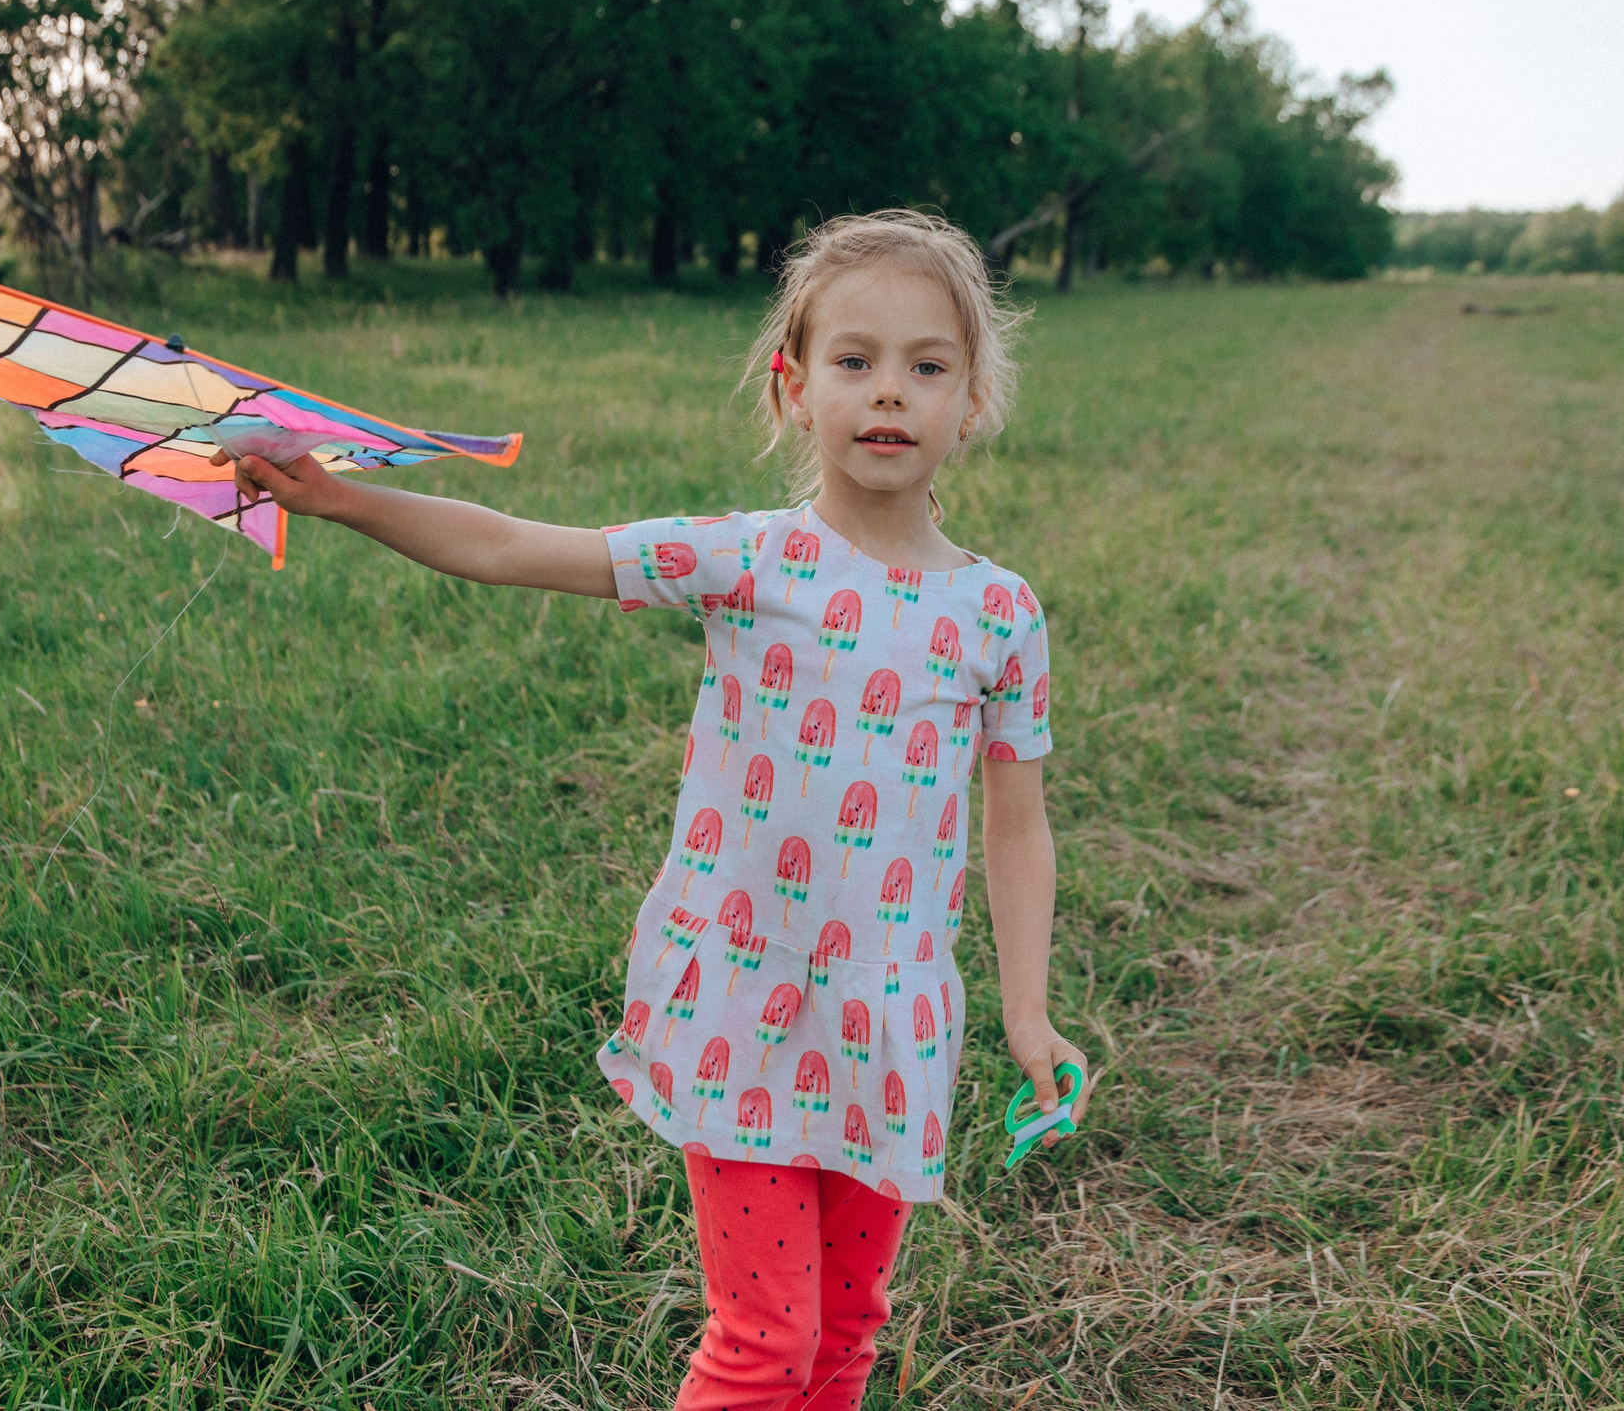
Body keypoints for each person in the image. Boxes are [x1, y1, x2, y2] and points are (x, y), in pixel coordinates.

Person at [231, 209, 1083, 1411]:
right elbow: (509, 545)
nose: (888, 391)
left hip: (888, 1019)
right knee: (764, 1339)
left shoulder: (1001, 612)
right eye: (854, 360)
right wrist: (344, 501)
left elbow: (1016, 822)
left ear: (973, 399)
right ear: (794, 390)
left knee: (844, 1332)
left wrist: (1027, 1011)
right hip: (743, 995)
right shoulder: (749, 560)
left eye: (925, 365)